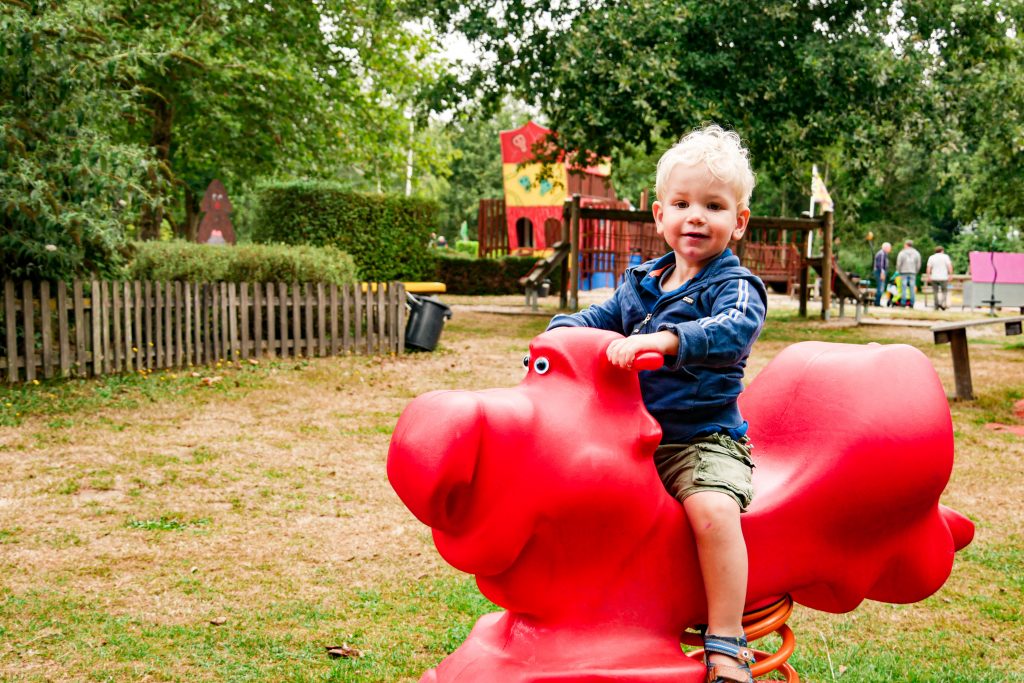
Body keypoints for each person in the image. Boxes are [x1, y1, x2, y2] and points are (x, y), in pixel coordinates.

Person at [547, 125, 767, 683]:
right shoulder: (642, 282)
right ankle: (585, 613)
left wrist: (667, 340)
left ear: (738, 221)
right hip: (629, 438)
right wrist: (561, 334)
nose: (695, 216)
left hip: (700, 439)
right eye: (682, 203)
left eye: (713, 206)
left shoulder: (736, 286)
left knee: (712, 512)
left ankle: (725, 640)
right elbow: (600, 319)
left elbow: (733, 330)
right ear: (658, 214)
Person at [926, 246, 954, 311]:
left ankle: (936, 306)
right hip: (943, 277)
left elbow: (928, 267)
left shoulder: (931, 257)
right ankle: (941, 303)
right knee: (944, 291)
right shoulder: (945, 257)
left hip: (934, 277)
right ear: (942, 250)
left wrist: (928, 276)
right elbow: (949, 266)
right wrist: (950, 275)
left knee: (935, 292)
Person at [895, 240, 922, 308]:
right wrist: (916, 271)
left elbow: (899, 263)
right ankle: (912, 303)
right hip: (913, 272)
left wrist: (898, 270)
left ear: (906, 245)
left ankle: (903, 302)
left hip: (903, 272)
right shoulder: (916, 253)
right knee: (912, 288)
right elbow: (918, 263)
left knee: (903, 287)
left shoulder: (902, 253)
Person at [873, 242, 892, 306]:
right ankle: (877, 302)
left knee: (881, 287)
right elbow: (880, 265)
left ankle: (877, 302)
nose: (890, 249)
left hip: (881, 272)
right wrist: (882, 273)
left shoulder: (884, 254)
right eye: (889, 248)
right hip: (880, 272)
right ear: (886, 248)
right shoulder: (882, 254)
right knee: (880, 287)